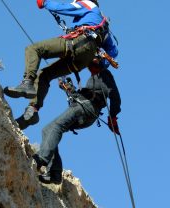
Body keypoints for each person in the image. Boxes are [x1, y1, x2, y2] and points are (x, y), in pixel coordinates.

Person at [3, 0, 114, 128]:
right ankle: (32, 111)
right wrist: (102, 63)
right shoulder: (103, 25)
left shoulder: (88, 4)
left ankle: (27, 83)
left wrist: (45, 3)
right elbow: (113, 51)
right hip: (83, 60)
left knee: (34, 49)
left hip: (79, 42)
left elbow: (64, 8)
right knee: (45, 75)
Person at [32, 53, 122, 184]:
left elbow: (115, 96)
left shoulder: (104, 75)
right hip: (84, 108)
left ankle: (42, 158)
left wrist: (112, 116)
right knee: (48, 130)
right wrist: (69, 89)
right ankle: (55, 173)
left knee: (56, 127)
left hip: (85, 107)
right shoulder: (93, 79)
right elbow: (86, 93)